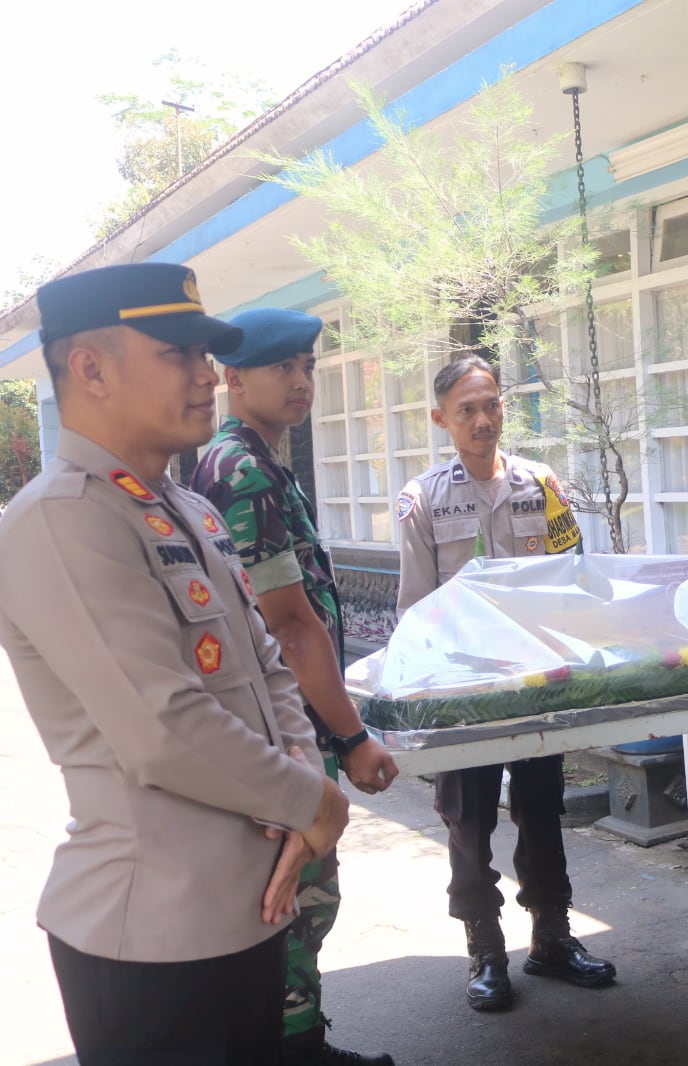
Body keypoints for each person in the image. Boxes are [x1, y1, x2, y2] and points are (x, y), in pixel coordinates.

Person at [0, 263, 350, 1064]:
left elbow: (267, 665)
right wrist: (313, 797)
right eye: (178, 354)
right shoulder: (61, 522)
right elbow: (163, 727)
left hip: (248, 910)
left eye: (207, 356)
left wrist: (300, 774)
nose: (205, 376)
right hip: (150, 939)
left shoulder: (182, 509)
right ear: (89, 368)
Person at [191, 307, 398, 1066]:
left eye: (306, 366)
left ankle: (299, 1040)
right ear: (232, 377)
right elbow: (290, 624)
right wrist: (351, 737)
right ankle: (293, 1048)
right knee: (298, 897)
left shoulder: (256, 462)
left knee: (296, 896)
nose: (301, 381)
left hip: (273, 727)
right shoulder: (243, 470)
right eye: (282, 368)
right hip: (278, 734)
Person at [393, 355, 614, 1011]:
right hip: (464, 691)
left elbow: (572, 581)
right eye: (467, 409)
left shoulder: (541, 484)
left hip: (536, 681)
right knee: (467, 820)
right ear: (441, 419)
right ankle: (486, 952)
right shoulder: (422, 500)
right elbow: (415, 610)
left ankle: (552, 937)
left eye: (491, 405)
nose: (483, 419)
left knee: (542, 808)